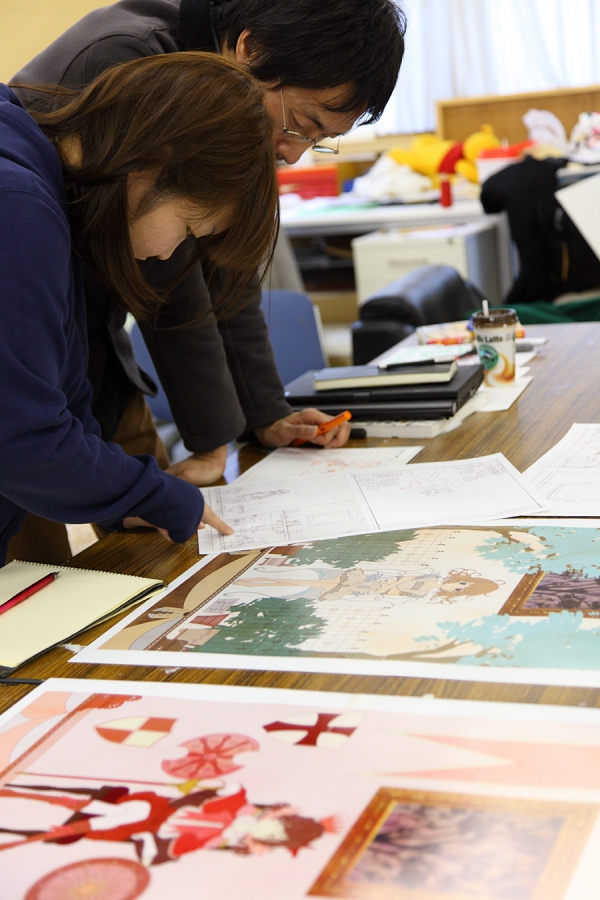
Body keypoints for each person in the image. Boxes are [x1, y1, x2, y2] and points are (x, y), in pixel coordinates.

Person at [9, 0, 407, 564]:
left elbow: (222, 268)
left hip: (73, 363)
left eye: (319, 140)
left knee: (131, 532)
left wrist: (265, 412)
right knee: (36, 561)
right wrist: (209, 440)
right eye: (302, 123)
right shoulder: (123, 70)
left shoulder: (188, 130)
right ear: (252, 49)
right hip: (30, 376)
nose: (294, 154)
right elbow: (168, 283)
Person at [0, 52, 282, 565]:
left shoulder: (53, 201)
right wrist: (156, 495)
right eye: (189, 229)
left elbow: (65, 399)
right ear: (152, 166)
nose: (170, 255)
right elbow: (21, 438)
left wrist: (124, 502)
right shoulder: (18, 208)